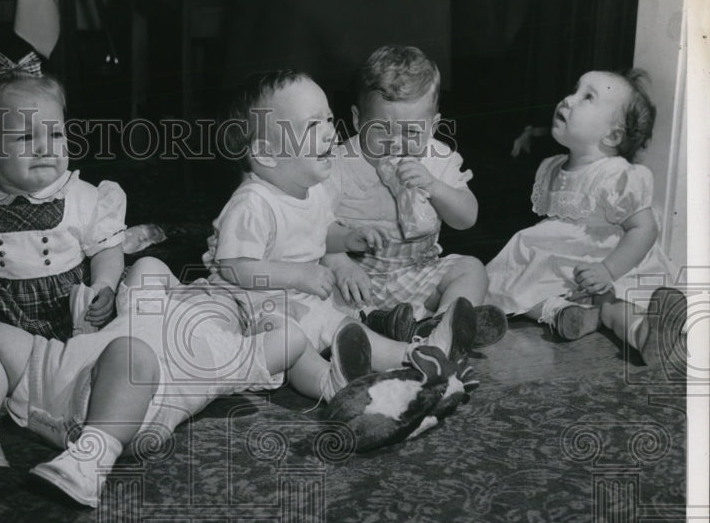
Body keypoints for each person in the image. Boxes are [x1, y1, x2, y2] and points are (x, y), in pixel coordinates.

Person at [0, 258, 310, 507]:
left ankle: (91, 461)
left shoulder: (230, 352)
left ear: (242, 323)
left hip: (127, 409)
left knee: (131, 354)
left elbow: (290, 341)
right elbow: (149, 266)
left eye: (230, 301)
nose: (210, 294)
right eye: (205, 288)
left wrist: (267, 321)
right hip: (65, 371)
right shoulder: (152, 303)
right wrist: (178, 290)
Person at [204, 69, 477, 404]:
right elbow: (235, 268)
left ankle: (418, 358)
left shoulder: (313, 191)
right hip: (254, 307)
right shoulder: (252, 203)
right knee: (292, 344)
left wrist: (347, 239)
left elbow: (319, 236)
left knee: (345, 330)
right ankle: (331, 387)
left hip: (302, 298)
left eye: (329, 119)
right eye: (312, 125)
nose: (330, 133)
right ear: (265, 154)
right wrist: (300, 274)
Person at [0, 49, 125, 341]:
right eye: (26, 138)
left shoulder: (82, 197)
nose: (44, 148)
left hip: (67, 311)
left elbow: (106, 248)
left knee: (109, 338)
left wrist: (105, 283)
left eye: (55, 134)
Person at [486, 68, 685, 364]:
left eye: (587, 97)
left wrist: (608, 270)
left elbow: (644, 228)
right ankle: (563, 313)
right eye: (574, 90)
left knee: (616, 305)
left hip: (607, 266)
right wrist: (534, 131)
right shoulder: (553, 166)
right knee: (515, 282)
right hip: (564, 265)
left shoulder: (617, 175)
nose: (568, 99)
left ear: (613, 135)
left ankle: (644, 333)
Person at [325, 45, 506, 347]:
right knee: (319, 295)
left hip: (417, 271)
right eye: (382, 131)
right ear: (358, 121)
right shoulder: (338, 164)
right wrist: (340, 264)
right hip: (359, 277)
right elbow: (314, 227)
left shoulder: (438, 158)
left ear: (433, 127)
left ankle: (446, 327)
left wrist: (435, 187)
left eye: (411, 133)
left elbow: (466, 218)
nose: (397, 144)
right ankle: (378, 331)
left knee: (471, 269)